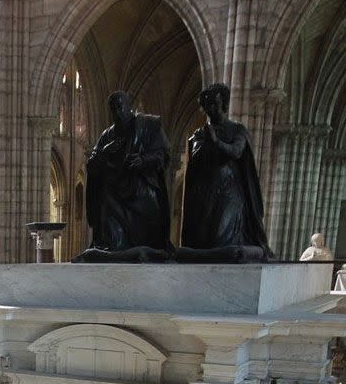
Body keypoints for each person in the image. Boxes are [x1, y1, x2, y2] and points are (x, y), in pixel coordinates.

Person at [180, 82, 272, 261]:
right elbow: (196, 157)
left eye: (215, 104)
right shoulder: (200, 133)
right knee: (203, 238)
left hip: (230, 192)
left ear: (224, 104)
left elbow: (236, 151)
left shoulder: (237, 130)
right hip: (206, 192)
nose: (211, 109)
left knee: (221, 236)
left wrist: (215, 142)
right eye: (208, 106)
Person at [76, 90, 171, 261]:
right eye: (114, 109)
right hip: (113, 198)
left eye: (120, 107)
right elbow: (92, 163)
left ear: (129, 107)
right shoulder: (108, 135)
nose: (118, 113)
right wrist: (104, 153)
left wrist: (143, 160)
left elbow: (164, 155)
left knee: (149, 238)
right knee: (112, 243)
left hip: (142, 193)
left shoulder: (148, 125)